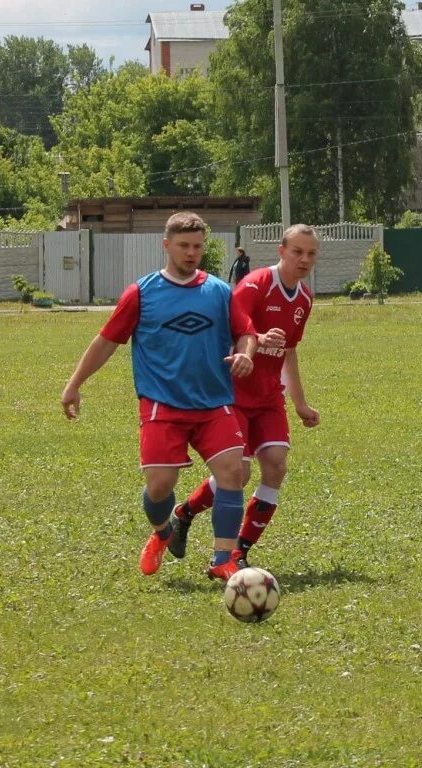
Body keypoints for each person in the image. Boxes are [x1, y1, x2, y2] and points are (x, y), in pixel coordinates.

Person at [61, 212, 258, 581]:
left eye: (197, 246)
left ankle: (222, 559)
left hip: (215, 404)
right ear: (166, 245)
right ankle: (163, 532)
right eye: (184, 245)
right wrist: (75, 383)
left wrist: (246, 352)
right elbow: (106, 341)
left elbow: (246, 331)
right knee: (159, 487)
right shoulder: (142, 292)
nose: (191, 253)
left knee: (234, 472)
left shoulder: (218, 291)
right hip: (162, 405)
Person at [168, 224, 321, 571]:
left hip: (268, 398)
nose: (304, 259)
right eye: (297, 251)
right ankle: (185, 513)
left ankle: (238, 553)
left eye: (311, 254)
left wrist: (300, 403)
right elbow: (224, 330)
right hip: (232, 394)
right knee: (236, 473)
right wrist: (256, 339)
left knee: (276, 466)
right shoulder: (254, 285)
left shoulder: (305, 300)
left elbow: (290, 352)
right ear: (281, 251)